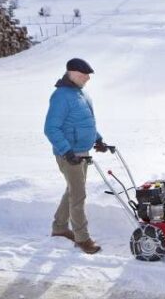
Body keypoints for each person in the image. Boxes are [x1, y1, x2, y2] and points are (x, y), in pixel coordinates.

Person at [44, 58, 112, 254]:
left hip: (82, 152)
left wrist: (98, 140)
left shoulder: (81, 93)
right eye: (84, 75)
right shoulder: (60, 96)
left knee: (73, 191)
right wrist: (66, 151)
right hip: (69, 154)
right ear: (72, 73)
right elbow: (51, 128)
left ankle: (59, 228)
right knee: (78, 195)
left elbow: (86, 122)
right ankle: (82, 239)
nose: (88, 78)